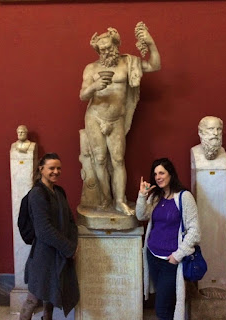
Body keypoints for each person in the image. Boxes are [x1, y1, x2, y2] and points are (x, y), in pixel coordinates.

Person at [79, 23, 161, 215]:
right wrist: (95, 86)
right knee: (99, 159)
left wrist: (151, 43)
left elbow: (155, 65)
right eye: (102, 50)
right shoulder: (91, 69)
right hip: (95, 116)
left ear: (116, 45)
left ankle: (119, 201)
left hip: (116, 119)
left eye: (109, 48)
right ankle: (105, 200)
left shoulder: (128, 63)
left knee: (117, 159)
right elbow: (82, 95)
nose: (106, 52)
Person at [135, 158, 200, 320]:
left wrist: (177, 256)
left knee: (162, 309)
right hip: (153, 257)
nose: (158, 177)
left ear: (170, 174)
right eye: (155, 174)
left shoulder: (184, 197)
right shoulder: (156, 196)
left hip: (170, 262)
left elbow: (195, 231)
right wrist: (142, 196)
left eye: (162, 173)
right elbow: (141, 215)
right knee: (166, 303)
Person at [19, 153, 79, 320]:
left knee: (51, 296)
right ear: (41, 169)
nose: (56, 171)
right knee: (33, 298)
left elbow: (70, 221)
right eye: (51, 168)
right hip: (43, 254)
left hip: (58, 252)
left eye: (59, 168)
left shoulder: (59, 191)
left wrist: (72, 245)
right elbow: (43, 230)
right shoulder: (37, 194)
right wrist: (68, 248)